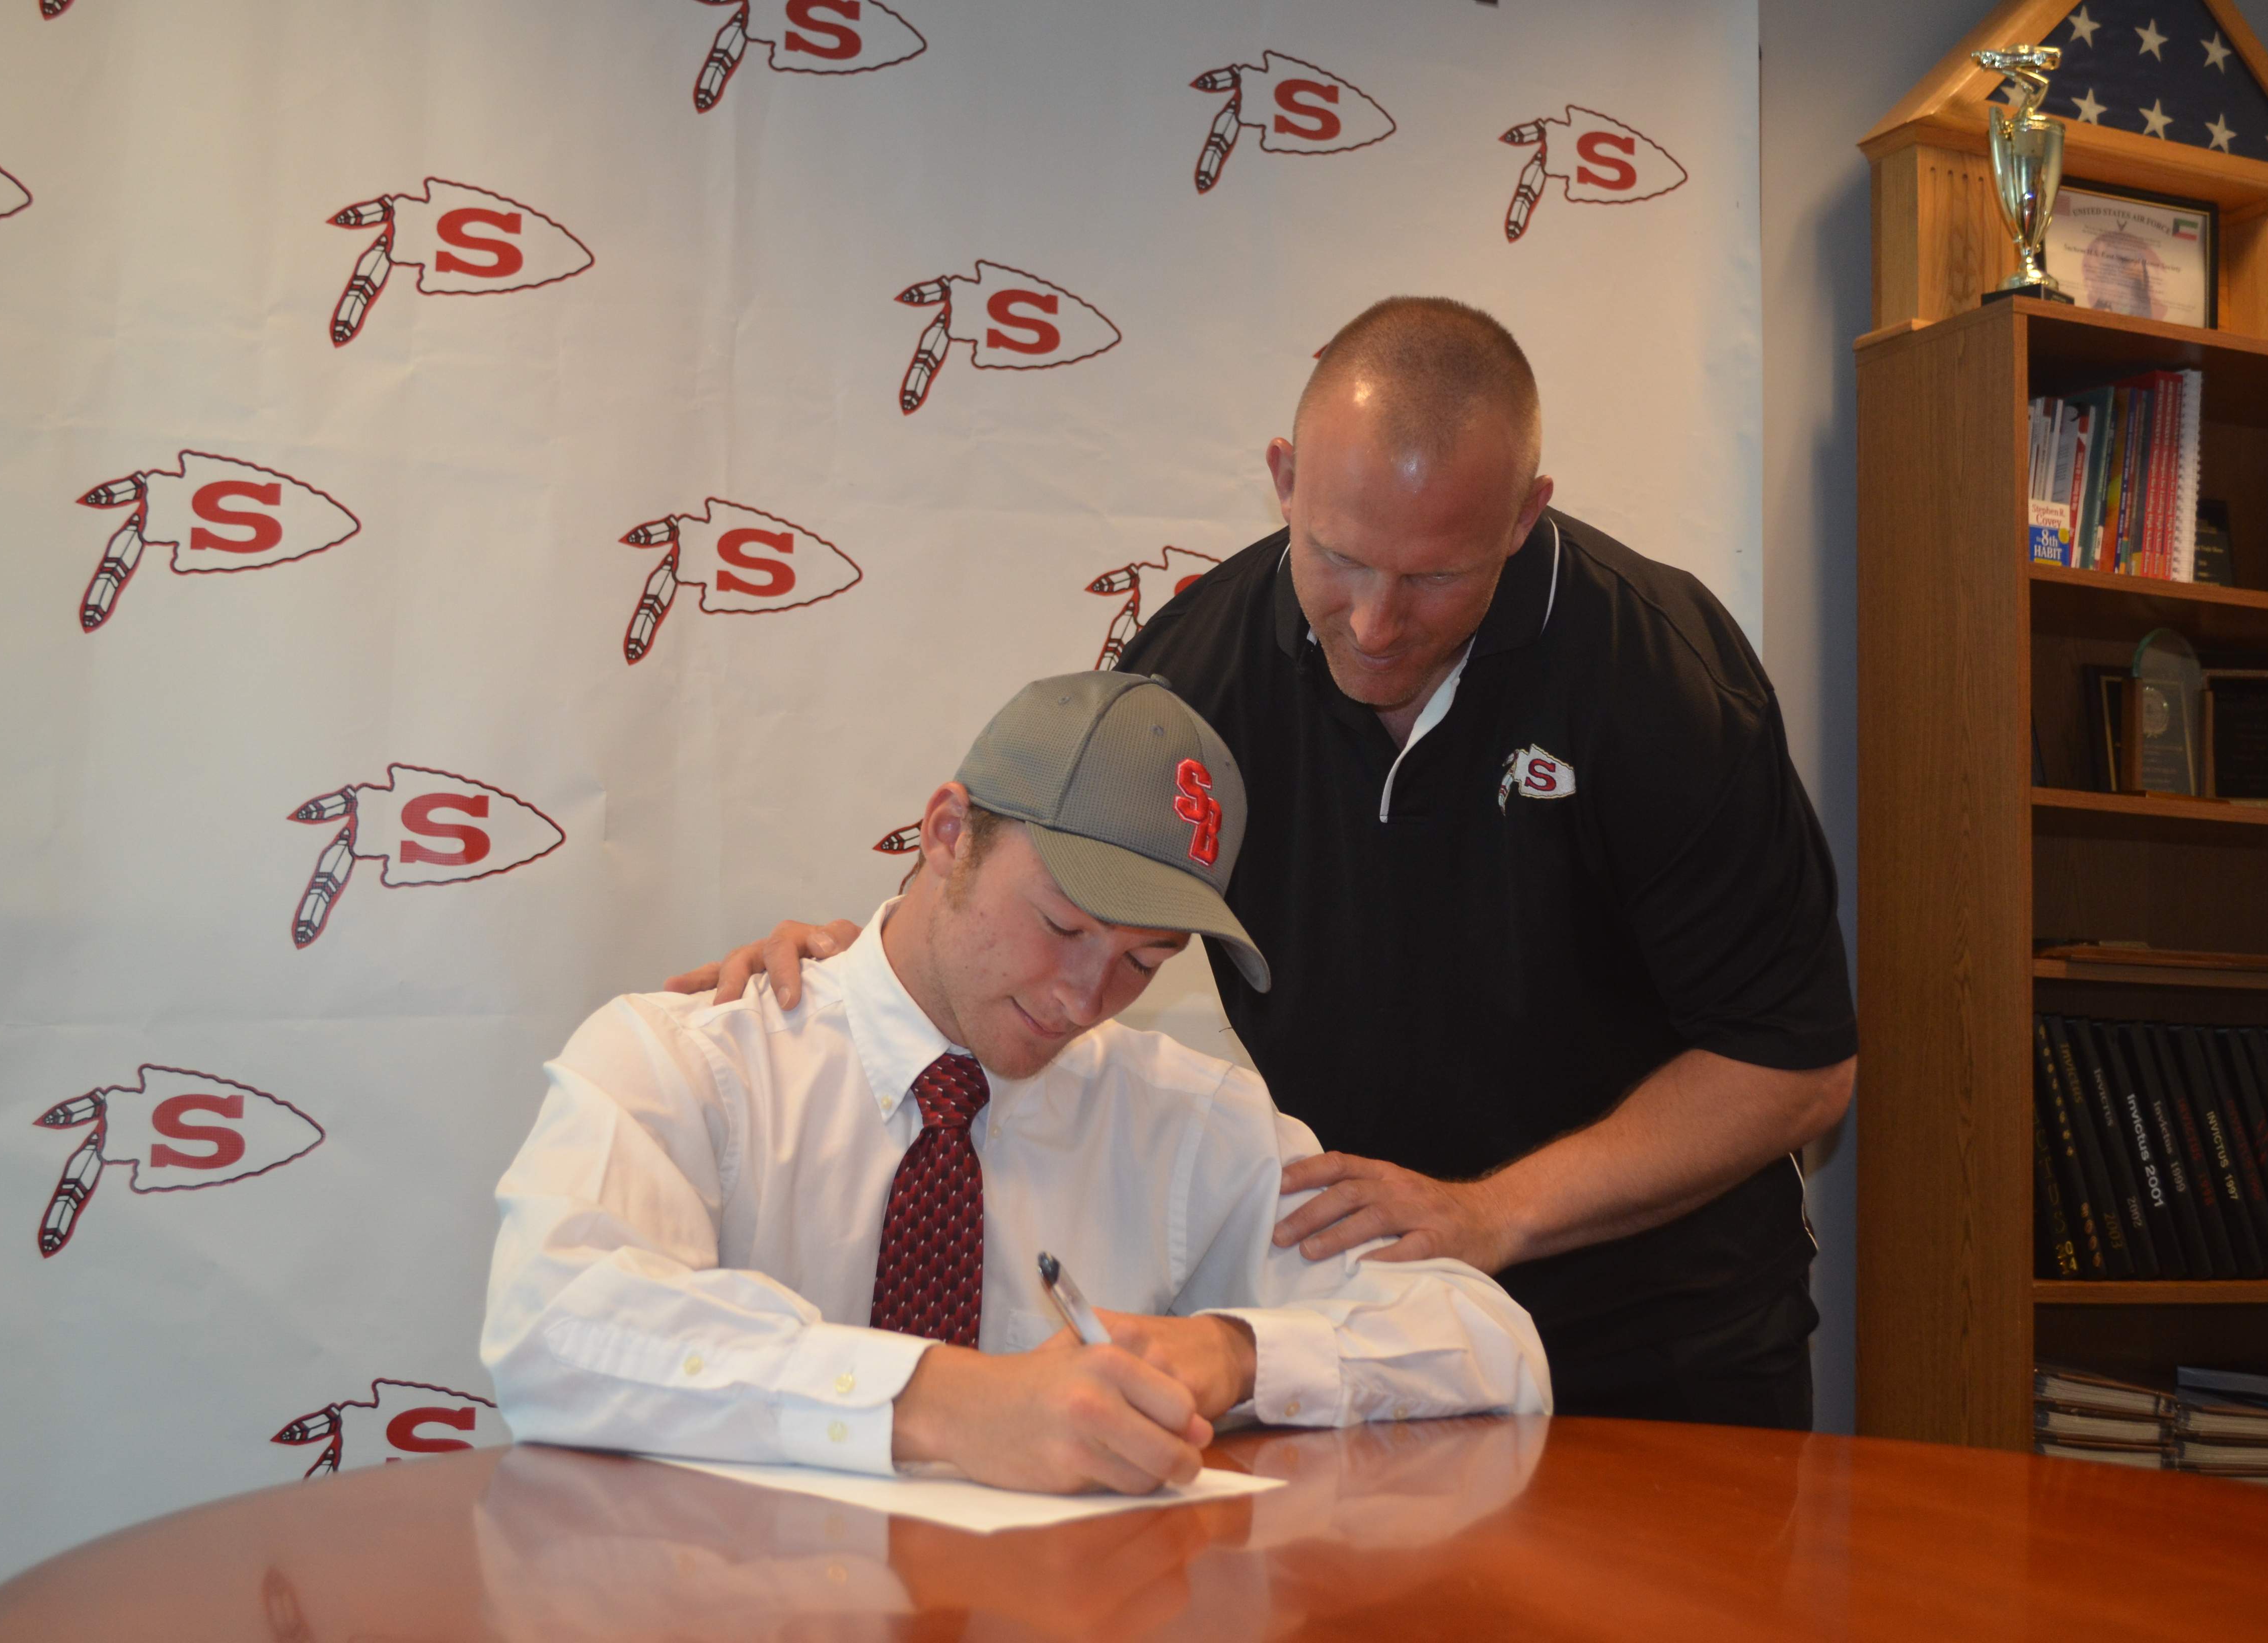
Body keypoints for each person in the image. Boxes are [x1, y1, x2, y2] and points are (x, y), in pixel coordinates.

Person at [680, 297, 1856, 1429]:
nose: (1377, 624)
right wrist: (877, 969)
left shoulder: (1658, 678)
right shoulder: (1198, 669)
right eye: (1339, 558)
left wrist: (1492, 1214)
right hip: (1365, 1325)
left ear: (1522, 515)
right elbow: (1040, 875)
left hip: (1665, 1334)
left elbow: (1795, 1069)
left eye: (1435, 577)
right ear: (1284, 480)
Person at [484, 671, 1548, 1495]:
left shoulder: (1192, 1120)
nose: (1087, 997)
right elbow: (554, 1325)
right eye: (1064, 926)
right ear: (949, 835)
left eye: (1145, 960)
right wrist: (945, 1404)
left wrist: (1238, 1354)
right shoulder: (689, 1060)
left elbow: (1493, 1349)